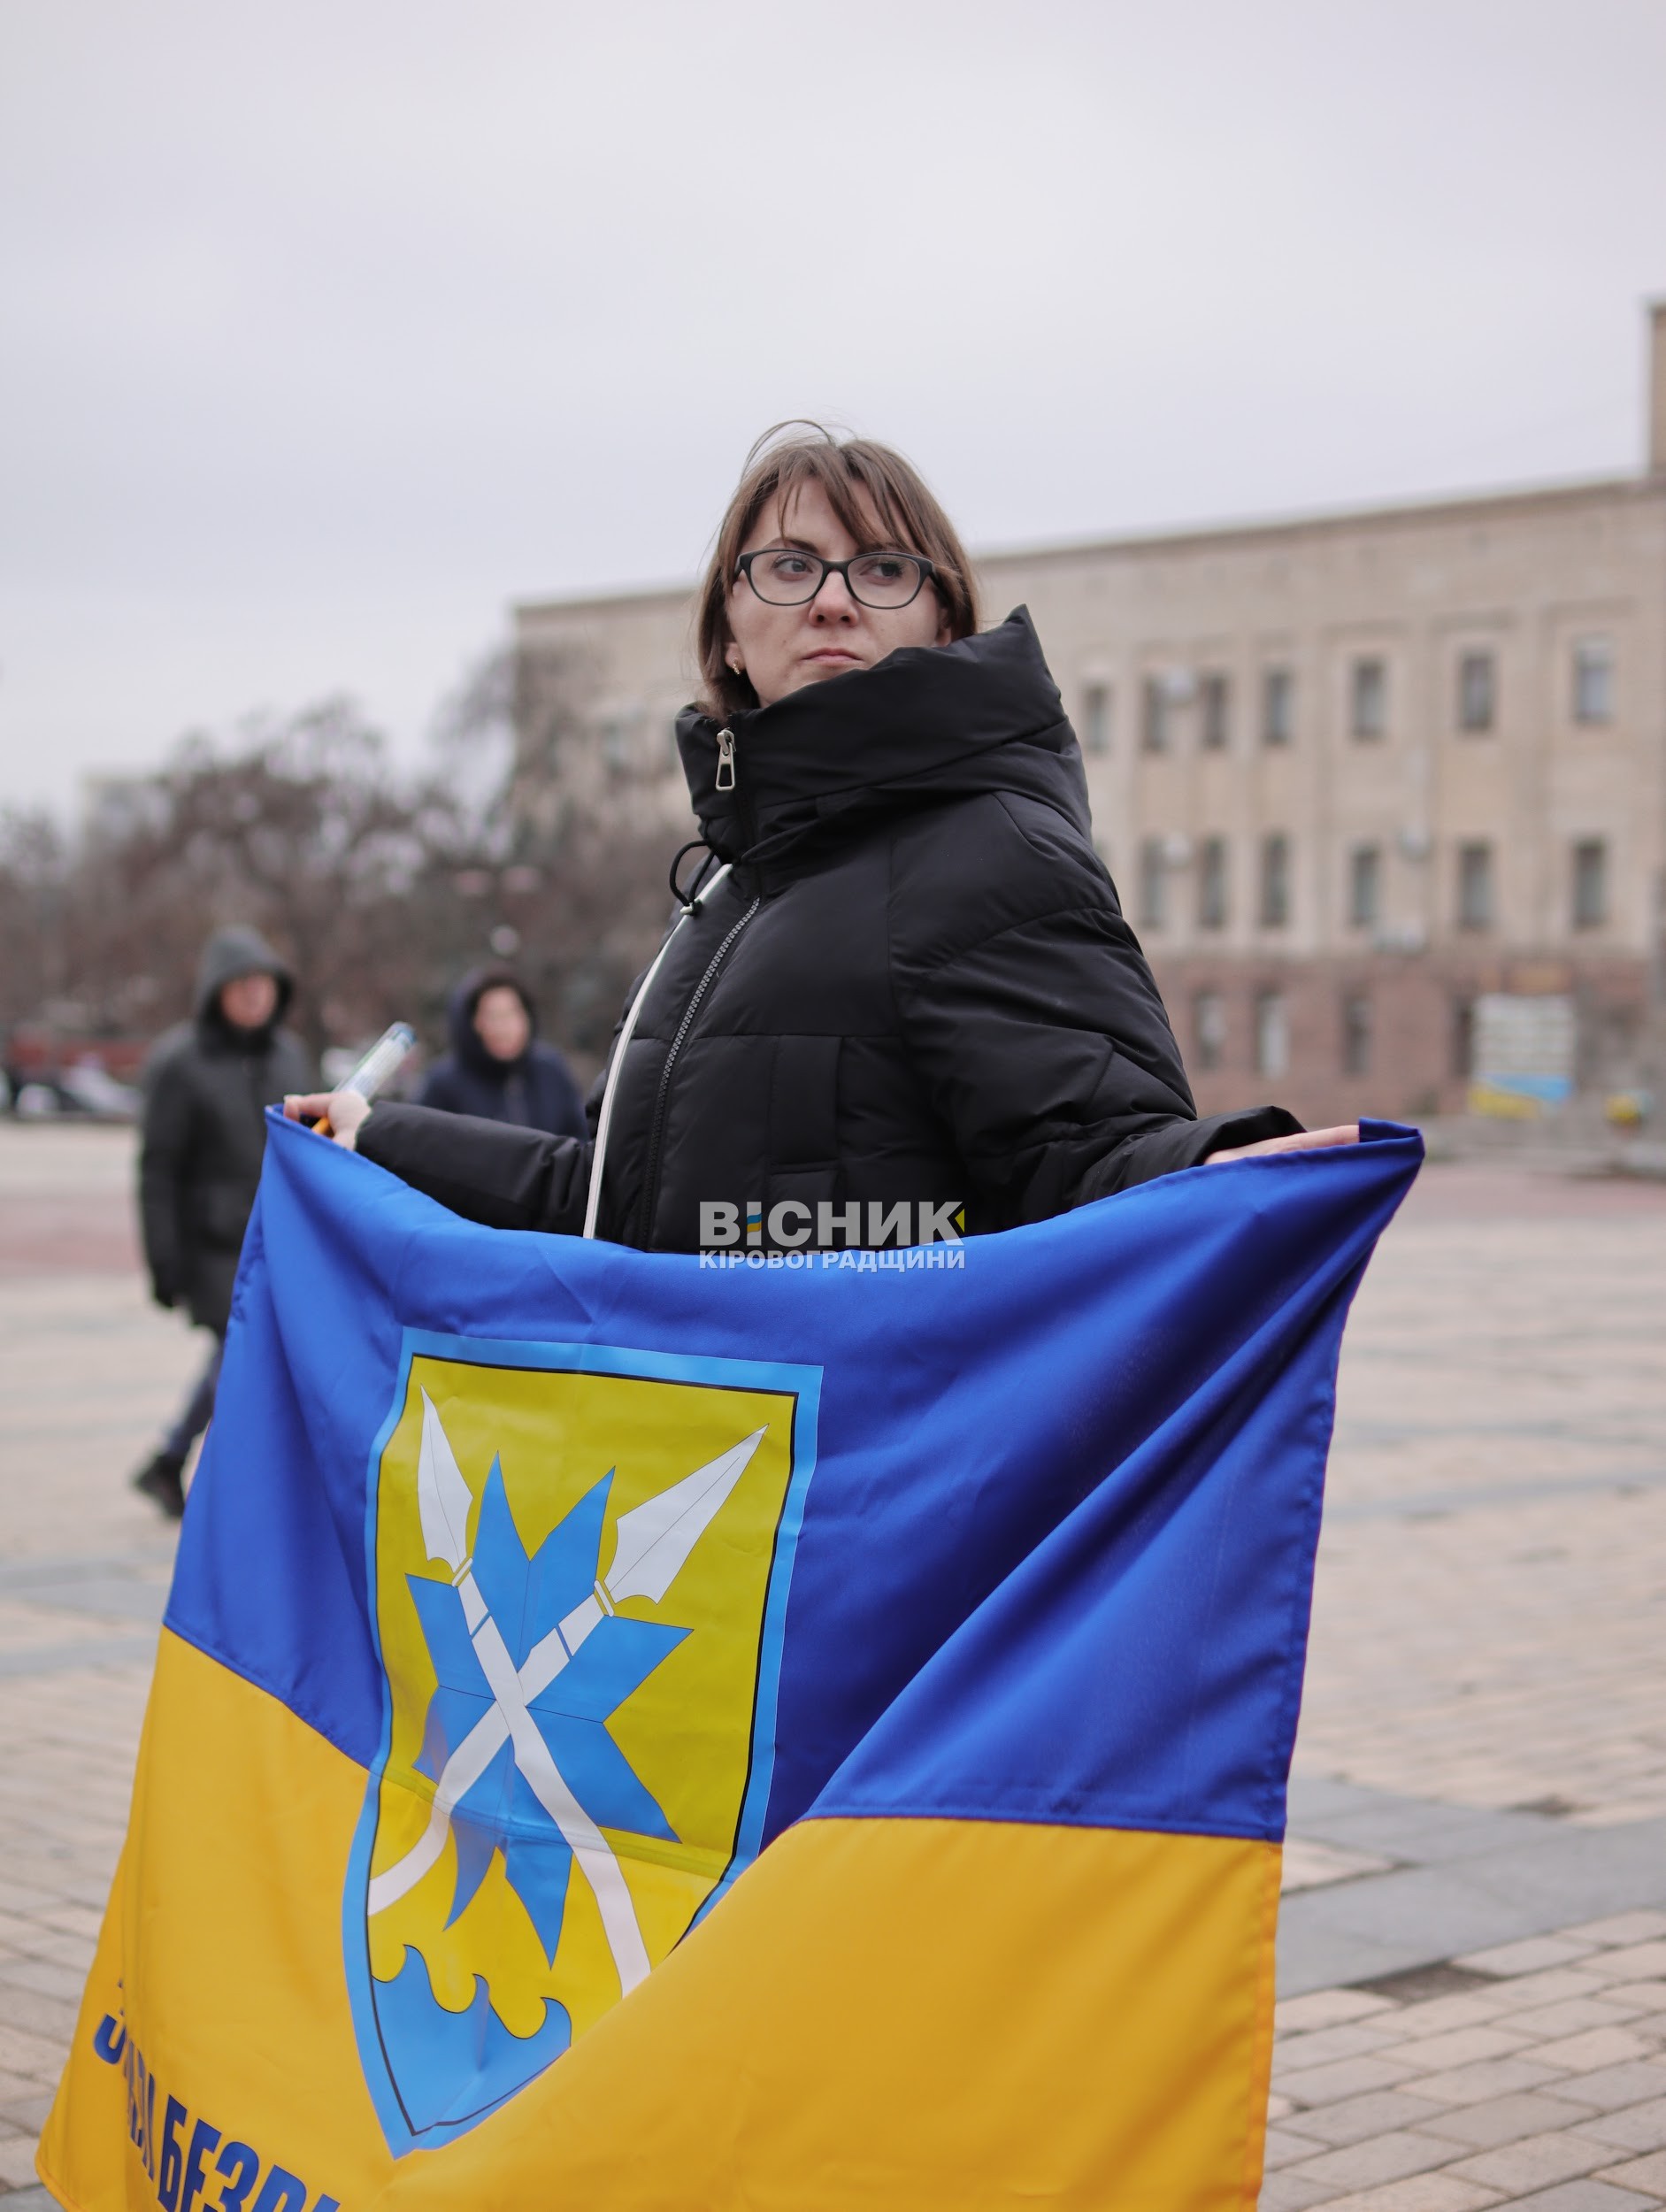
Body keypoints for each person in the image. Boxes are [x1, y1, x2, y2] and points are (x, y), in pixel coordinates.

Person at [288, 425, 1354, 1244]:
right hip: (711, 1455)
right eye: (790, 566)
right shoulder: (729, 893)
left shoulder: (993, 851)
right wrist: (376, 1137)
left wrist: (1212, 1175)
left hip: (866, 1458)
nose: (835, 601)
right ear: (727, 631)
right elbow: (613, 1204)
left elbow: (1085, 1165)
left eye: (882, 568)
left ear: (942, 621)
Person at [134, 926, 312, 1516]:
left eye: (264, 983)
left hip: (279, 1235)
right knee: (243, 1351)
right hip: (210, 1243)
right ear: (216, 992)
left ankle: (171, 1459)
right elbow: (158, 1169)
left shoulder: (290, 1055)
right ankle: (216, 1475)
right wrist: (164, 1262)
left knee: (241, 1356)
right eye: (241, 985)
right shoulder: (180, 1064)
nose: (255, 995)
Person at [418, 966, 586, 1138]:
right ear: (474, 1022)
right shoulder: (444, 1084)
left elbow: (578, 1136)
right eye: (493, 1016)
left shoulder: (551, 1071)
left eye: (511, 1013)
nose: (504, 1027)